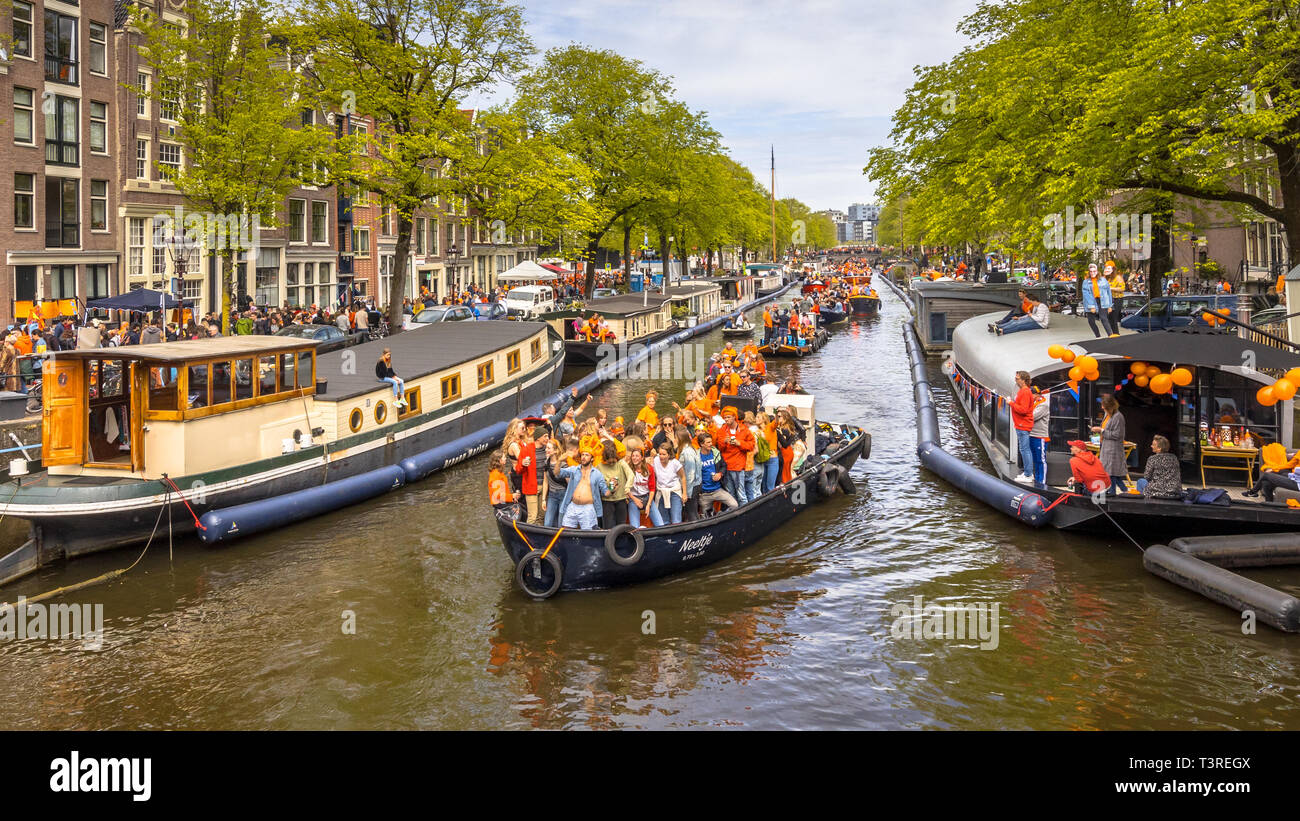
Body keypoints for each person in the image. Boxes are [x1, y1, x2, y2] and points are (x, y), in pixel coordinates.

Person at [715, 405, 755, 506]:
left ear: (734, 417)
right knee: (730, 494)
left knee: (741, 494)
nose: (726, 419)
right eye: (725, 417)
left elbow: (751, 445)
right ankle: (734, 513)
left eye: (728, 417)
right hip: (726, 466)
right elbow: (719, 447)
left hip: (738, 467)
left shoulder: (744, 429)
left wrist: (739, 443)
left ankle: (745, 512)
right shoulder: (721, 430)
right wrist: (724, 442)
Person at [558, 449, 607, 530]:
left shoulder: (597, 474)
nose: (583, 457)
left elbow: (606, 492)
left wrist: (613, 489)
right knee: (566, 531)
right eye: (582, 455)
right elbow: (557, 473)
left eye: (587, 455)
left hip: (587, 508)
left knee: (588, 533)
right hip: (573, 506)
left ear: (592, 458)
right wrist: (559, 460)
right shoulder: (574, 469)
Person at [1091, 393, 1127, 493]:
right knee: (1111, 474)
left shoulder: (1118, 417)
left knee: (1111, 474)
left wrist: (1101, 431)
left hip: (1113, 449)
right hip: (1106, 447)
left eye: (1104, 405)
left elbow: (1117, 435)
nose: (1102, 407)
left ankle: (1114, 493)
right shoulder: (1108, 415)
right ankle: (1123, 491)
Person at [696, 432, 739, 514]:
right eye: (708, 442)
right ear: (701, 444)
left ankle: (720, 515)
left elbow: (724, 465)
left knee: (734, 505)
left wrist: (720, 474)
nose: (710, 444)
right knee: (707, 517)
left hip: (717, 490)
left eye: (711, 442)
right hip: (704, 494)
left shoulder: (716, 453)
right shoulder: (696, 457)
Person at [597, 440, 633, 526]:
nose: (612, 464)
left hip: (621, 499)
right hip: (607, 501)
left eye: (614, 462)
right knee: (609, 527)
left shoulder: (621, 462)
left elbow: (631, 475)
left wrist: (627, 487)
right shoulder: (599, 466)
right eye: (609, 462)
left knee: (621, 526)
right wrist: (609, 486)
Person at [650, 441, 687, 524]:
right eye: (660, 454)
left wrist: (684, 493)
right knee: (663, 521)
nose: (661, 456)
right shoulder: (655, 460)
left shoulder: (675, 463)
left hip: (674, 492)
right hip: (661, 491)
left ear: (669, 455)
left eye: (664, 454)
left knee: (676, 520)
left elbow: (683, 477)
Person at [1136, 435, 1183, 499]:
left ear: (1159, 448)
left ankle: (1142, 502)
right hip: (1175, 491)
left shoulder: (1152, 459)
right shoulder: (1174, 458)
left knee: (1141, 481)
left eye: (1153, 445)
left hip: (1158, 491)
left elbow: (1147, 476)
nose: (1151, 446)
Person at [1010, 371, 1036, 484]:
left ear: (1023, 380)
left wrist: (1010, 403)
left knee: (1025, 449)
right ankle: (1027, 472)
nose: (1015, 381)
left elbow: (1023, 410)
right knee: (1024, 449)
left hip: (1023, 424)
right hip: (1021, 424)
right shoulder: (1023, 391)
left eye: (1017, 378)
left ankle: (1028, 474)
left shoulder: (1025, 392)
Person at [626, 446, 661, 527]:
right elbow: (626, 488)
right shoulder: (628, 469)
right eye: (633, 456)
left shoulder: (649, 468)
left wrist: (648, 505)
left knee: (660, 524)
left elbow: (652, 489)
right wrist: (635, 500)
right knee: (635, 528)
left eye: (637, 456)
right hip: (633, 499)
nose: (634, 458)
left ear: (642, 458)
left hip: (647, 497)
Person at [1080, 263, 1115, 338]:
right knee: (1091, 321)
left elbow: (1108, 292)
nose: (1092, 273)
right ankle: (1098, 336)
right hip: (1091, 301)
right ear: (1089, 272)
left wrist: (1110, 305)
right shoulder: (1086, 282)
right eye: (1091, 271)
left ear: (1097, 271)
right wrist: (1092, 306)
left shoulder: (1103, 280)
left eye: (1094, 271)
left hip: (1102, 301)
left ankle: (1111, 335)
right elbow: (1087, 295)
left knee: (1104, 318)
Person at [489, 452, 521, 520]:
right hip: (499, 503)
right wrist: (512, 496)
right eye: (504, 457)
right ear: (499, 460)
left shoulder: (498, 472)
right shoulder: (496, 475)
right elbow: (498, 495)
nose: (506, 458)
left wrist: (512, 498)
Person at [679, 433, 702, 522]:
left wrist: (687, 492)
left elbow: (690, 473)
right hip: (696, 485)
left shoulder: (686, 452)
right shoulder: (692, 449)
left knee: (692, 513)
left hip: (691, 487)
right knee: (694, 512)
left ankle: (698, 534)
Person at [1029, 389, 1049, 487]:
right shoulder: (1033, 403)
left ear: (1036, 394)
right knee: (1035, 459)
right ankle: (1037, 480)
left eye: (1031, 394)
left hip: (1040, 436)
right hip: (1032, 434)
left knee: (1041, 460)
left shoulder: (1043, 404)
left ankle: (1042, 482)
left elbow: (1032, 416)